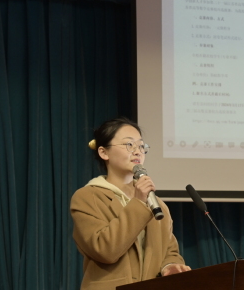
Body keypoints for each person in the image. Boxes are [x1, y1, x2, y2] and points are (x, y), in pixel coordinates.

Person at [70, 117, 190, 290]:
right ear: (104, 152)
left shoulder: (157, 204)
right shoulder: (87, 197)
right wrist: (138, 203)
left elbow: (170, 251)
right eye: (129, 145)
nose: (137, 151)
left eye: (141, 146)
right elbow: (105, 250)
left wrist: (170, 265)